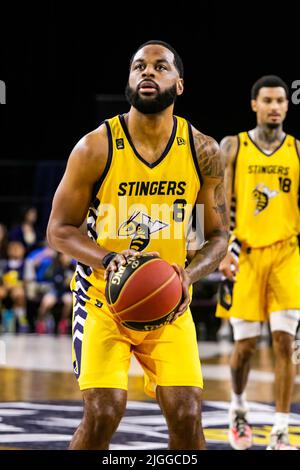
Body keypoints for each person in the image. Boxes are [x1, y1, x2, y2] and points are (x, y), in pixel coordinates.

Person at [47, 40, 228, 450]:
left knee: (187, 415)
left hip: (168, 300)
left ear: (179, 85)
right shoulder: (96, 146)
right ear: (129, 79)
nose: (147, 72)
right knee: (103, 413)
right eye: (138, 66)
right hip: (102, 301)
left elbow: (216, 236)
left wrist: (189, 274)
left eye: (160, 67)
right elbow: (59, 229)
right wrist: (108, 258)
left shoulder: (204, 151)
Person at [216, 75, 300, 450]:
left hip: (286, 253)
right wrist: (220, 251)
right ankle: (238, 407)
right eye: (267, 100)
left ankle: (281, 426)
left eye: (281, 101)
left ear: (287, 105)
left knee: (286, 343)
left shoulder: (297, 149)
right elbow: (217, 204)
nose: (275, 107)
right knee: (244, 348)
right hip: (244, 255)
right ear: (254, 104)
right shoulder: (234, 146)